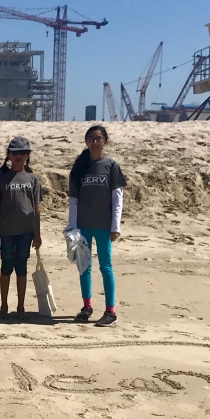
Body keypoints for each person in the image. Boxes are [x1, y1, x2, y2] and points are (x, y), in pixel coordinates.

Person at [67, 125, 126, 326]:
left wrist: (115, 226)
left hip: (103, 225)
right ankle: (87, 306)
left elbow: (117, 198)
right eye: (91, 138)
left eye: (98, 138)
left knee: (106, 265)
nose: (94, 142)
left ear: (105, 141)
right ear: (86, 141)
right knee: (84, 267)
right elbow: (73, 200)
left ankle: (110, 311)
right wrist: (72, 226)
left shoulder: (111, 166)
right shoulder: (79, 167)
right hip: (83, 225)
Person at [0, 136, 43, 320]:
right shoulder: (1, 178)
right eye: (15, 152)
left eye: (22, 152)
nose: (18, 156)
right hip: (6, 232)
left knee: (21, 266)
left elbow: (36, 208)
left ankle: (20, 306)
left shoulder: (33, 179)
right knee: (6, 265)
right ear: (8, 155)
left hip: (26, 232)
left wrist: (38, 233)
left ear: (28, 155)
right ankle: (4, 305)